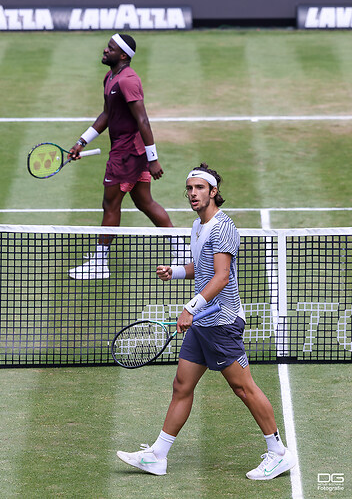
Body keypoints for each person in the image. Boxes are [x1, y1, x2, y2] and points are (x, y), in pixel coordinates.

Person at [116, 163, 296, 480]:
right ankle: (158, 455)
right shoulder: (198, 227)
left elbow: (222, 277)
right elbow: (202, 268)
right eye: (189, 188)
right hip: (203, 322)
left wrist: (190, 307)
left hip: (222, 322)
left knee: (244, 388)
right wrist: (176, 272)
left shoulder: (222, 227)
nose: (193, 194)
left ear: (213, 192)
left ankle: (278, 453)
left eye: (199, 188)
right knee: (182, 385)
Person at [67, 33, 189, 279]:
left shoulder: (128, 81)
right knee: (144, 202)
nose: (104, 50)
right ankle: (183, 251)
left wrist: (153, 158)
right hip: (130, 151)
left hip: (127, 154)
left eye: (110, 48)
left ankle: (100, 263)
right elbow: (106, 115)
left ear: (123, 55)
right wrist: (82, 141)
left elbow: (142, 119)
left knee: (110, 205)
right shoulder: (110, 77)